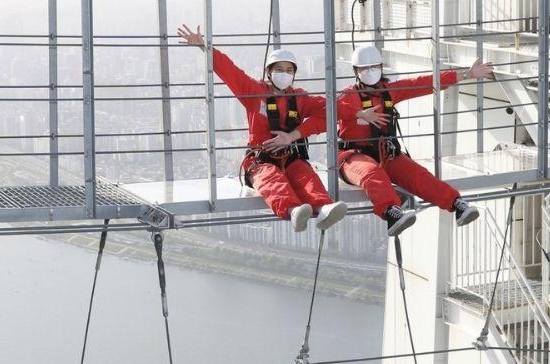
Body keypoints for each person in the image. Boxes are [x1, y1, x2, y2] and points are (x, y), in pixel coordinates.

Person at [177, 25, 346, 232]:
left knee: (305, 175)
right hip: (260, 160)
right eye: (279, 69)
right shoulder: (256, 93)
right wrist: (205, 47)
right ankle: (293, 210)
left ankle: (323, 207)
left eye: (289, 70)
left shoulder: (300, 99)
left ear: (294, 75)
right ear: (269, 72)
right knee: (271, 179)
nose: (284, 74)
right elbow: (231, 72)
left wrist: (295, 135)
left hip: (291, 157)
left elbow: (331, 110)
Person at [337, 45, 493, 236]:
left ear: (380, 67)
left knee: (417, 175)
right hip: (353, 157)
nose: (370, 71)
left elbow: (422, 83)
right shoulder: (349, 95)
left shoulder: (388, 92)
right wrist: (360, 113)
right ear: (356, 71)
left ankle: (456, 203)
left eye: (374, 66)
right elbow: (332, 109)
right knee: (372, 173)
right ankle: (391, 212)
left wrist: (467, 74)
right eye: (364, 68)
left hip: (385, 154)